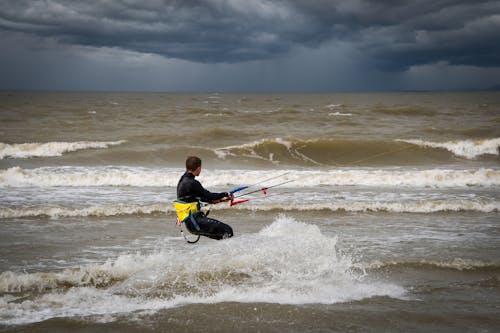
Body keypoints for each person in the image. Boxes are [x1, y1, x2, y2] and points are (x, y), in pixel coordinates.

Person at [176, 156, 234, 240]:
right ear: (198, 168)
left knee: (222, 236)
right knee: (228, 230)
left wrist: (221, 199)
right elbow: (209, 196)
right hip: (196, 222)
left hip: (191, 224)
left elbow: (204, 199)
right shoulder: (192, 183)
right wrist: (225, 194)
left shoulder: (182, 182)